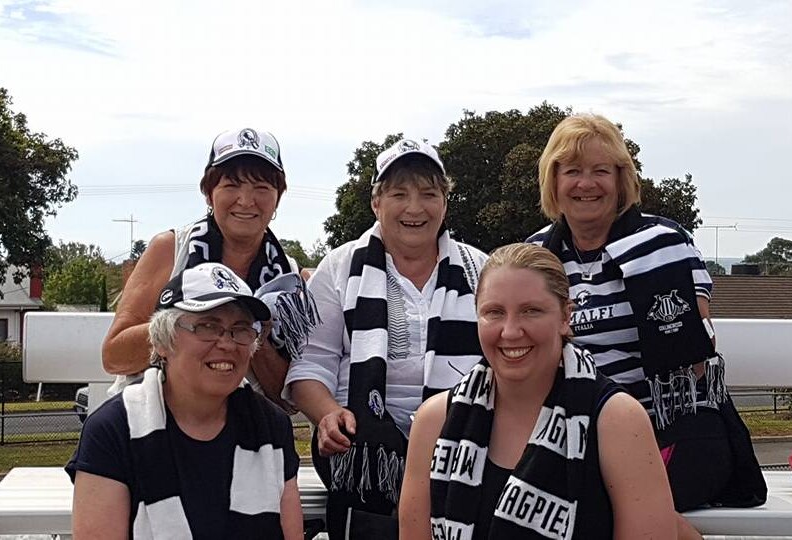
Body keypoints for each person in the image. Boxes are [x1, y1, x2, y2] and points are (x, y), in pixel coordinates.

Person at [527, 114, 765, 528]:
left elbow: (695, 353)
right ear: (554, 180)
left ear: (621, 179)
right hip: (567, 432)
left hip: (670, 428)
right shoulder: (535, 256)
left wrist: (625, 431)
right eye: (573, 172)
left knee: (607, 503)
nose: (587, 184)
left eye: (601, 170)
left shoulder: (666, 242)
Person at [400, 243, 676, 539]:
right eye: (494, 312)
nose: (510, 331)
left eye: (531, 311)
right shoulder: (435, 421)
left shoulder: (617, 421)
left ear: (565, 317)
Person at [284, 139, 487, 538]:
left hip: (464, 452)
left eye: (429, 194)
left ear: (445, 203)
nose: (415, 208)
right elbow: (310, 363)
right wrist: (327, 415)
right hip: (364, 463)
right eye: (399, 194)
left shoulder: (480, 268)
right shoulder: (339, 267)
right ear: (377, 202)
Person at [66, 262, 303, 539]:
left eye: (240, 329)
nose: (227, 343)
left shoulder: (270, 426)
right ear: (163, 341)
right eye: (207, 326)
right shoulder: (113, 429)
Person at [102, 127, 318, 409]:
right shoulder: (171, 248)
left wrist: (255, 332)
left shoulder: (286, 275)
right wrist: (192, 322)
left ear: (278, 197)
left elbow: (286, 398)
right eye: (231, 185)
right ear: (208, 193)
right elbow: (114, 355)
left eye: (262, 188)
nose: (245, 200)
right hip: (156, 423)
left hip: (245, 434)